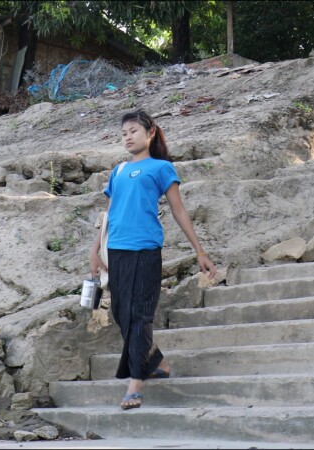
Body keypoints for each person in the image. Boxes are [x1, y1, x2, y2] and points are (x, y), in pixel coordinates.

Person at [88, 110, 217, 410]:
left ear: (150, 133)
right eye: (123, 134)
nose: (128, 137)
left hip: (145, 250)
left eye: (133, 131)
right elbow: (107, 216)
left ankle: (135, 384)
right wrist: (94, 251)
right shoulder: (118, 171)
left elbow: (179, 211)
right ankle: (156, 360)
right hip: (116, 251)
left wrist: (200, 251)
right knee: (122, 314)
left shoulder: (161, 168)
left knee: (140, 314)